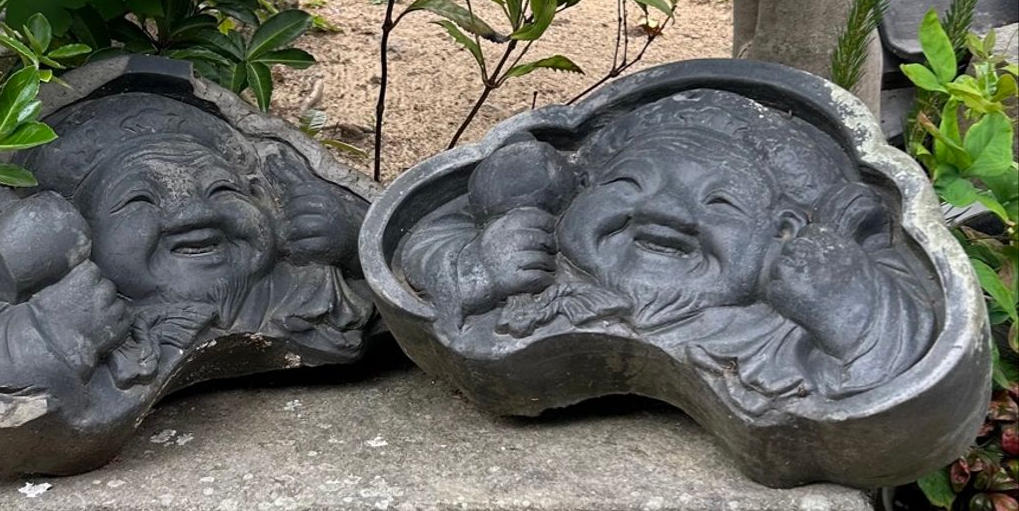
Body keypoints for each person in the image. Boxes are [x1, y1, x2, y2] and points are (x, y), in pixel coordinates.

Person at [395, 90, 934, 407]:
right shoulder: (540, 265)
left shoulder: (778, 328)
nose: (665, 213)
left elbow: (906, 373)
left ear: (783, 230)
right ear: (579, 190)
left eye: (720, 202)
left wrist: (851, 313)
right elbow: (417, 239)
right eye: (629, 184)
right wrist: (475, 268)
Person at [0, 92, 370, 403]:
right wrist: (55, 330)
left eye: (220, 189)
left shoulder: (312, 288)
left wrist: (353, 237)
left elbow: (422, 258)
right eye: (139, 200)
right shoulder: (83, 306)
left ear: (259, 195)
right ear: (83, 235)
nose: (193, 215)